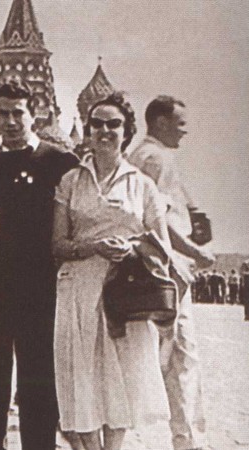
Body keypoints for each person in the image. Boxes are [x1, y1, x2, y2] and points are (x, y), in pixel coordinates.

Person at [0, 81, 79, 450]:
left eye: (18, 113)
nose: (10, 121)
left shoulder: (60, 163)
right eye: (2, 113)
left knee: (39, 383)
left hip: (42, 290)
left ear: (33, 114)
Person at [53, 92, 170, 450]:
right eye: (97, 124)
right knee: (82, 382)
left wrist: (131, 248)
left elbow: (162, 249)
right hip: (79, 291)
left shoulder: (142, 185)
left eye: (113, 124)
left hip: (126, 294)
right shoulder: (71, 181)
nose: (104, 131)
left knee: (120, 382)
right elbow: (57, 245)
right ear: (87, 130)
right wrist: (93, 247)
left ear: (127, 131)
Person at [127, 95, 215, 450]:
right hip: (169, 270)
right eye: (180, 124)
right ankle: (188, 440)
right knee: (181, 357)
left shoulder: (137, 154)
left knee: (163, 355)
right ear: (161, 123)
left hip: (150, 269)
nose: (185, 131)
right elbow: (157, 217)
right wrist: (194, 252)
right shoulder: (156, 158)